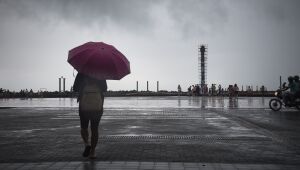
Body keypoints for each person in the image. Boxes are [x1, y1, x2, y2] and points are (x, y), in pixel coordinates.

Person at [73, 73, 107, 159]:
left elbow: (75, 88)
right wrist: (96, 82)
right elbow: (105, 89)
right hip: (97, 105)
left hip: (84, 105)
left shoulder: (81, 73)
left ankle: (87, 144)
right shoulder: (100, 73)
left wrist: (85, 83)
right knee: (94, 129)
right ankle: (93, 152)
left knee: (84, 127)